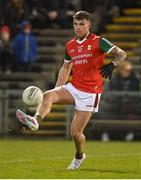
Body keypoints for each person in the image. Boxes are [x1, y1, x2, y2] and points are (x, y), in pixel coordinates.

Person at [16, 11, 127, 169]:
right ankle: (35, 121)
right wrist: (58, 89)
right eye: (76, 24)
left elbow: (122, 54)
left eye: (82, 24)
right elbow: (66, 67)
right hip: (74, 87)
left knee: (75, 134)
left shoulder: (99, 41)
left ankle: (79, 156)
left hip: (91, 92)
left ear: (89, 25)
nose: (78, 27)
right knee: (47, 96)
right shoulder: (70, 45)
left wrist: (112, 65)